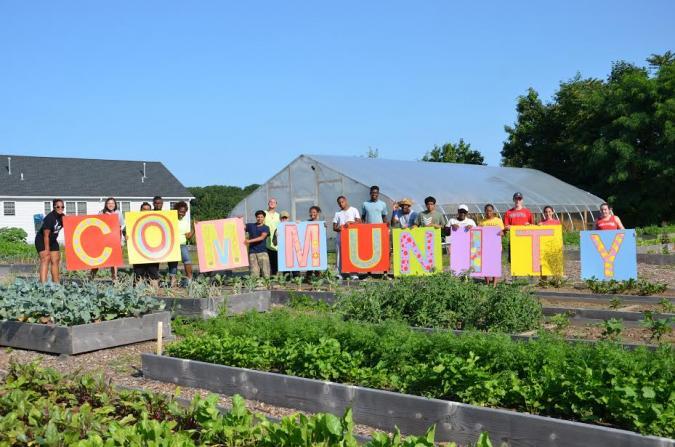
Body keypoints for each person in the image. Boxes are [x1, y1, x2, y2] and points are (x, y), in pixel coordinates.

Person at [91, 197, 125, 281]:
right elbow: (96, 224)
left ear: (115, 204)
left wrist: (121, 240)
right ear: (106, 204)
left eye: (112, 203)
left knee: (114, 261)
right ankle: (91, 278)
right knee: (98, 261)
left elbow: (121, 226)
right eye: (109, 203)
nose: (111, 205)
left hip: (114, 240)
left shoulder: (118, 213)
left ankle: (115, 279)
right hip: (103, 241)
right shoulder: (101, 213)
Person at [35, 199, 65, 284]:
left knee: (55, 260)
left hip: (52, 240)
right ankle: (43, 284)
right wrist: (47, 249)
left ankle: (56, 283)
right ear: (54, 207)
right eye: (58, 206)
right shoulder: (50, 218)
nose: (61, 208)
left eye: (62, 207)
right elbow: (46, 235)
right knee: (46, 259)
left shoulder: (62, 216)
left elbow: (70, 225)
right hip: (42, 240)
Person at [332, 196, 361, 279]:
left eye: (342, 202)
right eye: (339, 203)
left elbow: (359, 222)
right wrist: (339, 228)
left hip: (352, 237)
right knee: (339, 255)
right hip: (340, 237)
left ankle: (354, 273)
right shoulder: (338, 213)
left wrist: (351, 222)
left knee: (353, 254)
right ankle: (339, 273)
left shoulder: (354, 210)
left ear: (346, 201)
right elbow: (334, 227)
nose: (341, 204)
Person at [133, 202, 160, 287]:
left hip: (152, 251)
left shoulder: (156, 220)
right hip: (138, 251)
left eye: (148, 209)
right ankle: (138, 294)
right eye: (144, 209)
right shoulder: (134, 219)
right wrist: (127, 236)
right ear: (140, 210)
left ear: (151, 210)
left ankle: (154, 294)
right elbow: (127, 231)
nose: (146, 211)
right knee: (138, 273)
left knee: (153, 273)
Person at [167, 201, 194, 285]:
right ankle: (172, 281)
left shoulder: (185, 222)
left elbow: (188, 236)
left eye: (184, 212)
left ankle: (189, 279)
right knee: (173, 263)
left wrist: (194, 229)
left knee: (187, 261)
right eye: (180, 211)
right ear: (176, 210)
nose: (182, 213)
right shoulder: (170, 219)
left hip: (182, 245)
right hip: (172, 245)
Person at [480, 204, 504, 287]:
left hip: (496, 246)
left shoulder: (498, 221)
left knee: (495, 265)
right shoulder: (482, 222)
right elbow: (478, 234)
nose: (488, 212)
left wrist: (502, 233)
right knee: (486, 265)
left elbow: (502, 232)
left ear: (493, 211)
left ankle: (494, 284)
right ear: (485, 211)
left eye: (490, 210)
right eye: (487, 210)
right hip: (485, 247)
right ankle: (487, 283)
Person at [245, 210, 271, 278]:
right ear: (256, 218)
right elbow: (240, 227)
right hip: (252, 252)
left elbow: (262, 237)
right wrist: (238, 219)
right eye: (258, 217)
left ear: (264, 218)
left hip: (262, 252)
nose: (260, 218)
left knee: (265, 272)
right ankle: (255, 286)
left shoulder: (266, 227)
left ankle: (266, 285)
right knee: (254, 272)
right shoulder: (250, 226)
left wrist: (249, 241)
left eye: (261, 217)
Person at [264, 198, 281, 275]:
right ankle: (266, 275)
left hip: (275, 240)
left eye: (274, 202)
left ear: (276, 204)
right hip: (265, 239)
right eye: (270, 201)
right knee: (266, 260)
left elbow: (282, 225)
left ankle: (274, 275)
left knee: (275, 259)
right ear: (268, 203)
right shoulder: (264, 213)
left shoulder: (278, 215)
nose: (272, 203)